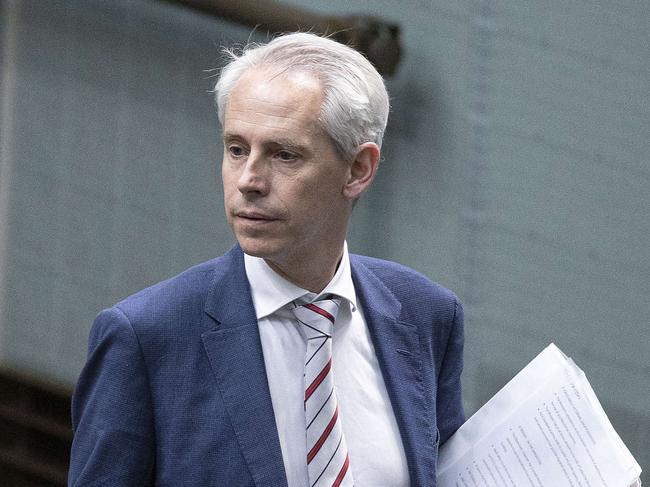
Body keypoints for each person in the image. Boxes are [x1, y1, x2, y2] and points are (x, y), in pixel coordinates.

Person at [69, 32, 464, 487]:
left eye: (284, 155)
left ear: (359, 169)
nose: (249, 180)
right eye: (237, 149)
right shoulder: (146, 339)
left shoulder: (427, 315)